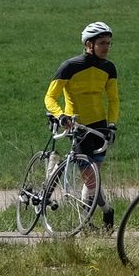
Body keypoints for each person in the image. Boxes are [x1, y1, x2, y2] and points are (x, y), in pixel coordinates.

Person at [45, 21, 119, 228]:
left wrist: (112, 124)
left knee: (93, 177)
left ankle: (85, 220)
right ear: (89, 44)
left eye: (109, 43)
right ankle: (106, 211)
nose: (106, 47)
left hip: (100, 127)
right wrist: (60, 116)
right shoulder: (70, 66)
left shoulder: (108, 68)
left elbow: (113, 100)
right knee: (91, 178)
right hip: (77, 127)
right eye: (102, 43)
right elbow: (50, 97)